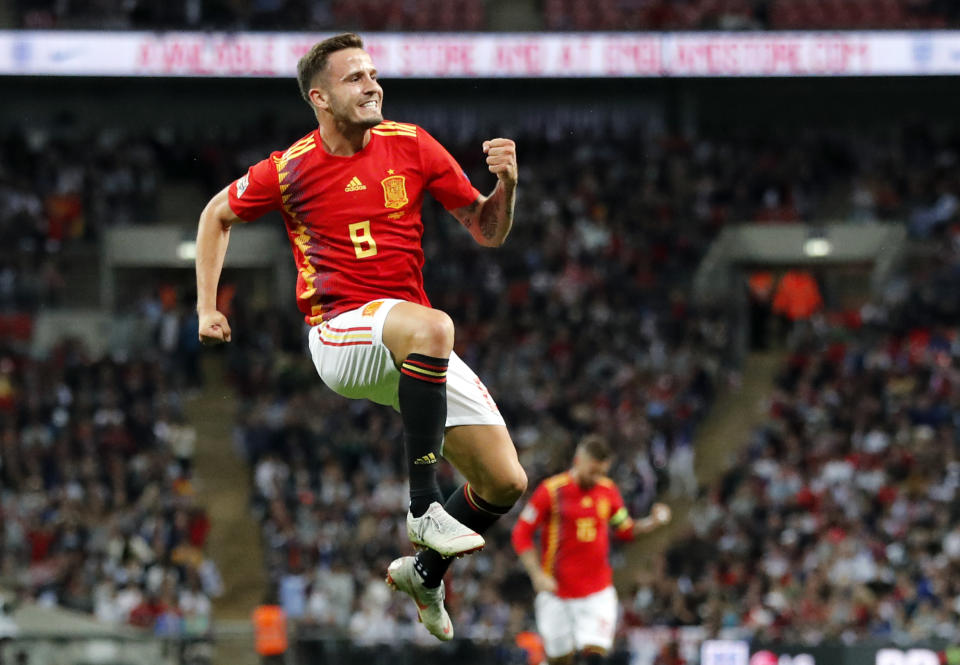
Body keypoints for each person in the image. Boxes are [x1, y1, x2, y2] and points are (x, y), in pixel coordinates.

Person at [194, 32, 527, 641]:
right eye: (355, 78)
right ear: (319, 97)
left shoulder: (414, 145)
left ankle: (424, 572)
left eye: (373, 74)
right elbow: (216, 215)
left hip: (409, 343)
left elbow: (485, 228)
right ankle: (423, 506)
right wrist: (206, 307)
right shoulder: (290, 168)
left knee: (505, 482)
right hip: (340, 332)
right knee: (434, 325)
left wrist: (505, 187)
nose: (372, 85)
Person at [511, 435, 672, 665]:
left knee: (595, 656)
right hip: (557, 592)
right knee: (559, 660)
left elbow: (625, 529)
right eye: (593, 471)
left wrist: (652, 522)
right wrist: (537, 575)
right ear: (578, 460)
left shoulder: (608, 491)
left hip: (597, 593)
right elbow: (521, 533)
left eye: (602, 472)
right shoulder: (551, 491)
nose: (597, 478)